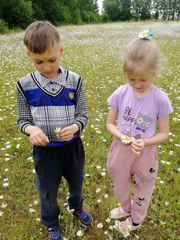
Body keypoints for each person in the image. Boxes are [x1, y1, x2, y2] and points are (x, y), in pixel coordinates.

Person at [16, 21, 92, 240]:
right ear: (28, 54)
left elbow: (83, 114)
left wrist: (76, 127)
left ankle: (76, 206)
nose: (47, 67)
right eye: (38, 61)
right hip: (46, 151)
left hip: (72, 148)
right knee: (47, 191)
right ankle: (50, 222)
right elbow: (22, 120)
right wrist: (31, 130)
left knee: (76, 183)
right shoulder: (24, 85)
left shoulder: (75, 81)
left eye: (52, 59)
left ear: (61, 50)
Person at [106, 30, 173, 237]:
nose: (137, 84)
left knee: (144, 188)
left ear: (154, 73)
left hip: (145, 155)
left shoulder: (160, 99)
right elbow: (109, 124)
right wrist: (121, 136)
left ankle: (135, 221)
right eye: (131, 78)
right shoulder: (120, 93)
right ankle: (125, 207)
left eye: (142, 79)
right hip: (120, 151)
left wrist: (144, 142)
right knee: (120, 184)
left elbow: (164, 134)